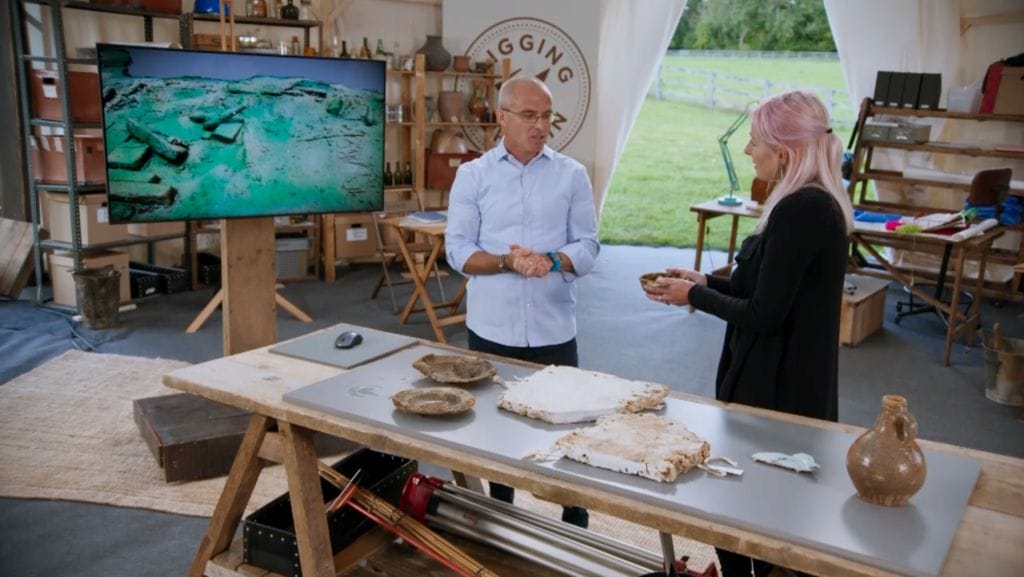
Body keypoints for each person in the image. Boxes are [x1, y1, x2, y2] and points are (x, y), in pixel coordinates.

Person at [640, 90, 854, 577]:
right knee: (753, 508)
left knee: (756, 514)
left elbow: (764, 314)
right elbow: (759, 287)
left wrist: (692, 297)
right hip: (776, 383)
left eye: (755, 141)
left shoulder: (804, 210)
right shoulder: (804, 202)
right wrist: (702, 280)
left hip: (779, 393)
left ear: (784, 151)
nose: (747, 150)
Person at [445, 76, 600, 528]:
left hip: (554, 329)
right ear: (502, 117)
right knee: (496, 429)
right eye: (529, 115)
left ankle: (576, 517)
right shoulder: (472, 176)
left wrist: (551, 261)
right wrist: (506, 263)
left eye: (547, 115)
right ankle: (501, 514)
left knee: (567, 428)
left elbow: (589, 246)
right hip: (494, 329)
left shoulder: (572, 174)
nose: (541, 126)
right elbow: (457, 251)